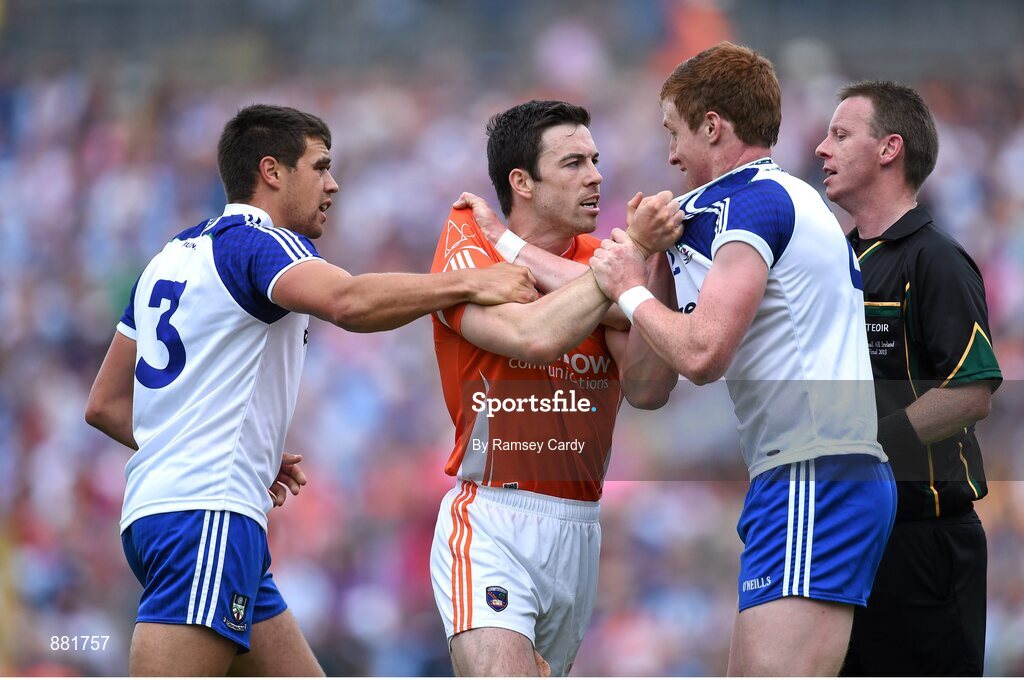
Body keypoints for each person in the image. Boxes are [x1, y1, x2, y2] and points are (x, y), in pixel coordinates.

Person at [84, 104, 537, 676]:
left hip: (170, 514)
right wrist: (472, 280)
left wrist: (237, 449)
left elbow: (105, 404)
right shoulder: (262, 242)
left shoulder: (169, 256)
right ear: (272, 172)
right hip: (206, 518)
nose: (334, 183)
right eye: (320, 167)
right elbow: (348, 302)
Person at [587, 42, 898, 676]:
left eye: (674, 132)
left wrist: (617, 283)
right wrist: (647, 270)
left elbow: (702, 354)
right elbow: (647, 388)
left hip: (816, 472)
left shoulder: (745, 200)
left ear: (712, 126)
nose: (669, 154)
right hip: (800, 474)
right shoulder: (764, 202)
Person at [428, 100, 681, 676]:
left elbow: (648, 389)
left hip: (579, 527)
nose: (595, 175)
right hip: (491, 514)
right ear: (522, 182)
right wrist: (624, 276)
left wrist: (650, 274)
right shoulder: (469, 236)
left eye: (595, 160)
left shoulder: (605, 257)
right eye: (572, 163)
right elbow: (535, 337)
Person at [814, 81, 1001, 676]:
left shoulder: (935, 258)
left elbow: (972, 392)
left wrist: (867, 444)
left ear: (890, 148)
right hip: (850, 532)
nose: (822, 148)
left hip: (924, 539)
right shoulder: (837, 259)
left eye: (840, 134)